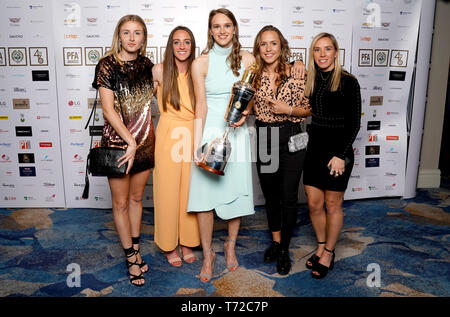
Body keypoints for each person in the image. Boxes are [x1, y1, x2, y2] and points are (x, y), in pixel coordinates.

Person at [187, 8, 257, 283]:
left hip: (237, 134)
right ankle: (208, 254)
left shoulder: (249, 59)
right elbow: (200, 105)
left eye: (227, 25)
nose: (222, 31)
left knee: (236, 194)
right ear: (210, 30)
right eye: (217, 26)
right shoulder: (200, 63)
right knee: (204, 197)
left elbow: (251, 96)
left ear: (235, 28)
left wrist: (246, 114)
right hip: (210, 132)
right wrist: (196, 144)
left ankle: (230, 245)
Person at [92, 15, 155, 286]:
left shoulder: (148, 66)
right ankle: (131, 258)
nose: (132, 38)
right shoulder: (107, 65)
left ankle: (137, 249)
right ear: (119, 35)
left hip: (145, 144)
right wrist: (129, 141)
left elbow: (180, 72)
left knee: (137, 200)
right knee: (119, 203)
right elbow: (108, 110)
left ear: (143, 38)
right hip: (119, 144)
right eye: (127, 32)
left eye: (137, 33)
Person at [251, 25, 311, 275]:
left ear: (281, 46)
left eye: (273, 43)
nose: (268, 48)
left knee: (288, 196)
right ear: (258, 48)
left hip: (293, 135)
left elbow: (308, 109)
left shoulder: (297, 72)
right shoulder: (252, 75)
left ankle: (285, 248)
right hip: (265, 136)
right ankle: (276, 242)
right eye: (263, 44)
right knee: (271, 195)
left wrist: (287, 109)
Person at [302, 32, 361, 279]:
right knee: (314, 205)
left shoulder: (349, 81)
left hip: (338, 152)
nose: (322, 54)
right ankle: (319, 244)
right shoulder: (312, 79)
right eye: (317, 49)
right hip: (315, 149)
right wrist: (295, 64)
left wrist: (340, 154)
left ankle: (328, 252)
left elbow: (354, 124)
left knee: (333, 204)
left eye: (327, 49)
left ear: (336, 52)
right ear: (312, 54)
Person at [152, 26, 200, 267]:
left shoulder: (199, 70)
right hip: (168, 132)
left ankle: (188, 241)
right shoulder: (159, 71)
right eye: (177, 42)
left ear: (193, 46)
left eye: (187, 42)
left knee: (189, 192)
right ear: (170, 45)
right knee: (167, 191)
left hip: (192, 132)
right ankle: (168, 244)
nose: (182, 46)